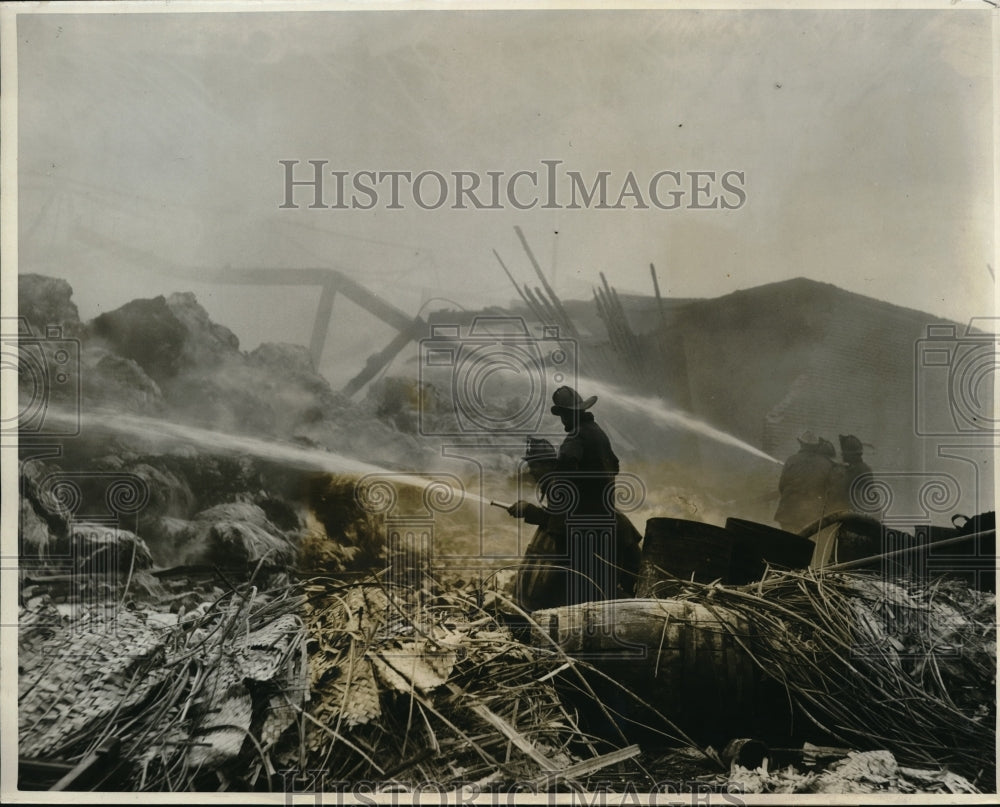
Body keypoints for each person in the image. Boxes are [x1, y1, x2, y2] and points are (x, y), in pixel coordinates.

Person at [508, 386, 641, 607]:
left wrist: (531, 512)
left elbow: (562, 514)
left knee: (581, 596)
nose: (563, 421)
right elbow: (613, 467)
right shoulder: (597, 433)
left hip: (589, 534)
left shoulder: (575, 440)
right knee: (600, 592)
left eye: (564, 415)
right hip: (609, 526)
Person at [773, 430, 836, 533]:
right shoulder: (827, 464)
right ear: (816, 446)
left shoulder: (791, 460)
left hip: (788, 513)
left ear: (801, 444)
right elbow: (830, 491)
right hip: (812, 516)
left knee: (789, 540)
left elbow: (782, 486)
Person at [837, 434, 875, 512]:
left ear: (851, 455)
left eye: (844, 454)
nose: (842, 456)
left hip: (855, 512)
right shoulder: (864, 468)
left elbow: (841, 488)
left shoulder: (855, 470)